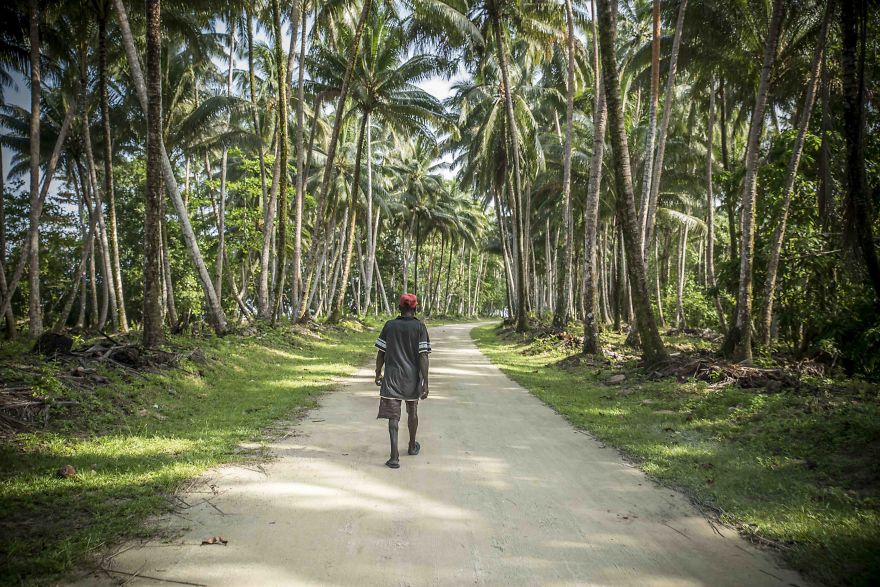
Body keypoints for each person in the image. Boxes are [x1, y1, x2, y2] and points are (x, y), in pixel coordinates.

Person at [374, 293, 431, 469]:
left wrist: (377, 372)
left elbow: (381, 353)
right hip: (412, 378)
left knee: (393, 416)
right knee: (412, 411)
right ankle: (412, 446)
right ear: (415, 308)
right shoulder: (419, 327)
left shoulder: (389, 326)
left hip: (392, 378)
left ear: (399, 308)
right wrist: (425, 381)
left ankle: (394, 456)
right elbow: (423, 356)